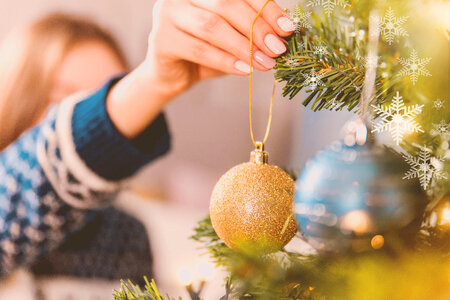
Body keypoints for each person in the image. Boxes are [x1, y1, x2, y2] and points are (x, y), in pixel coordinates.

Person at [0, 0, 294, 294]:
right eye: (68, 103)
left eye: (108, 96)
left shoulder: (125, 236)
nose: (108, 120)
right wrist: (152, 82)